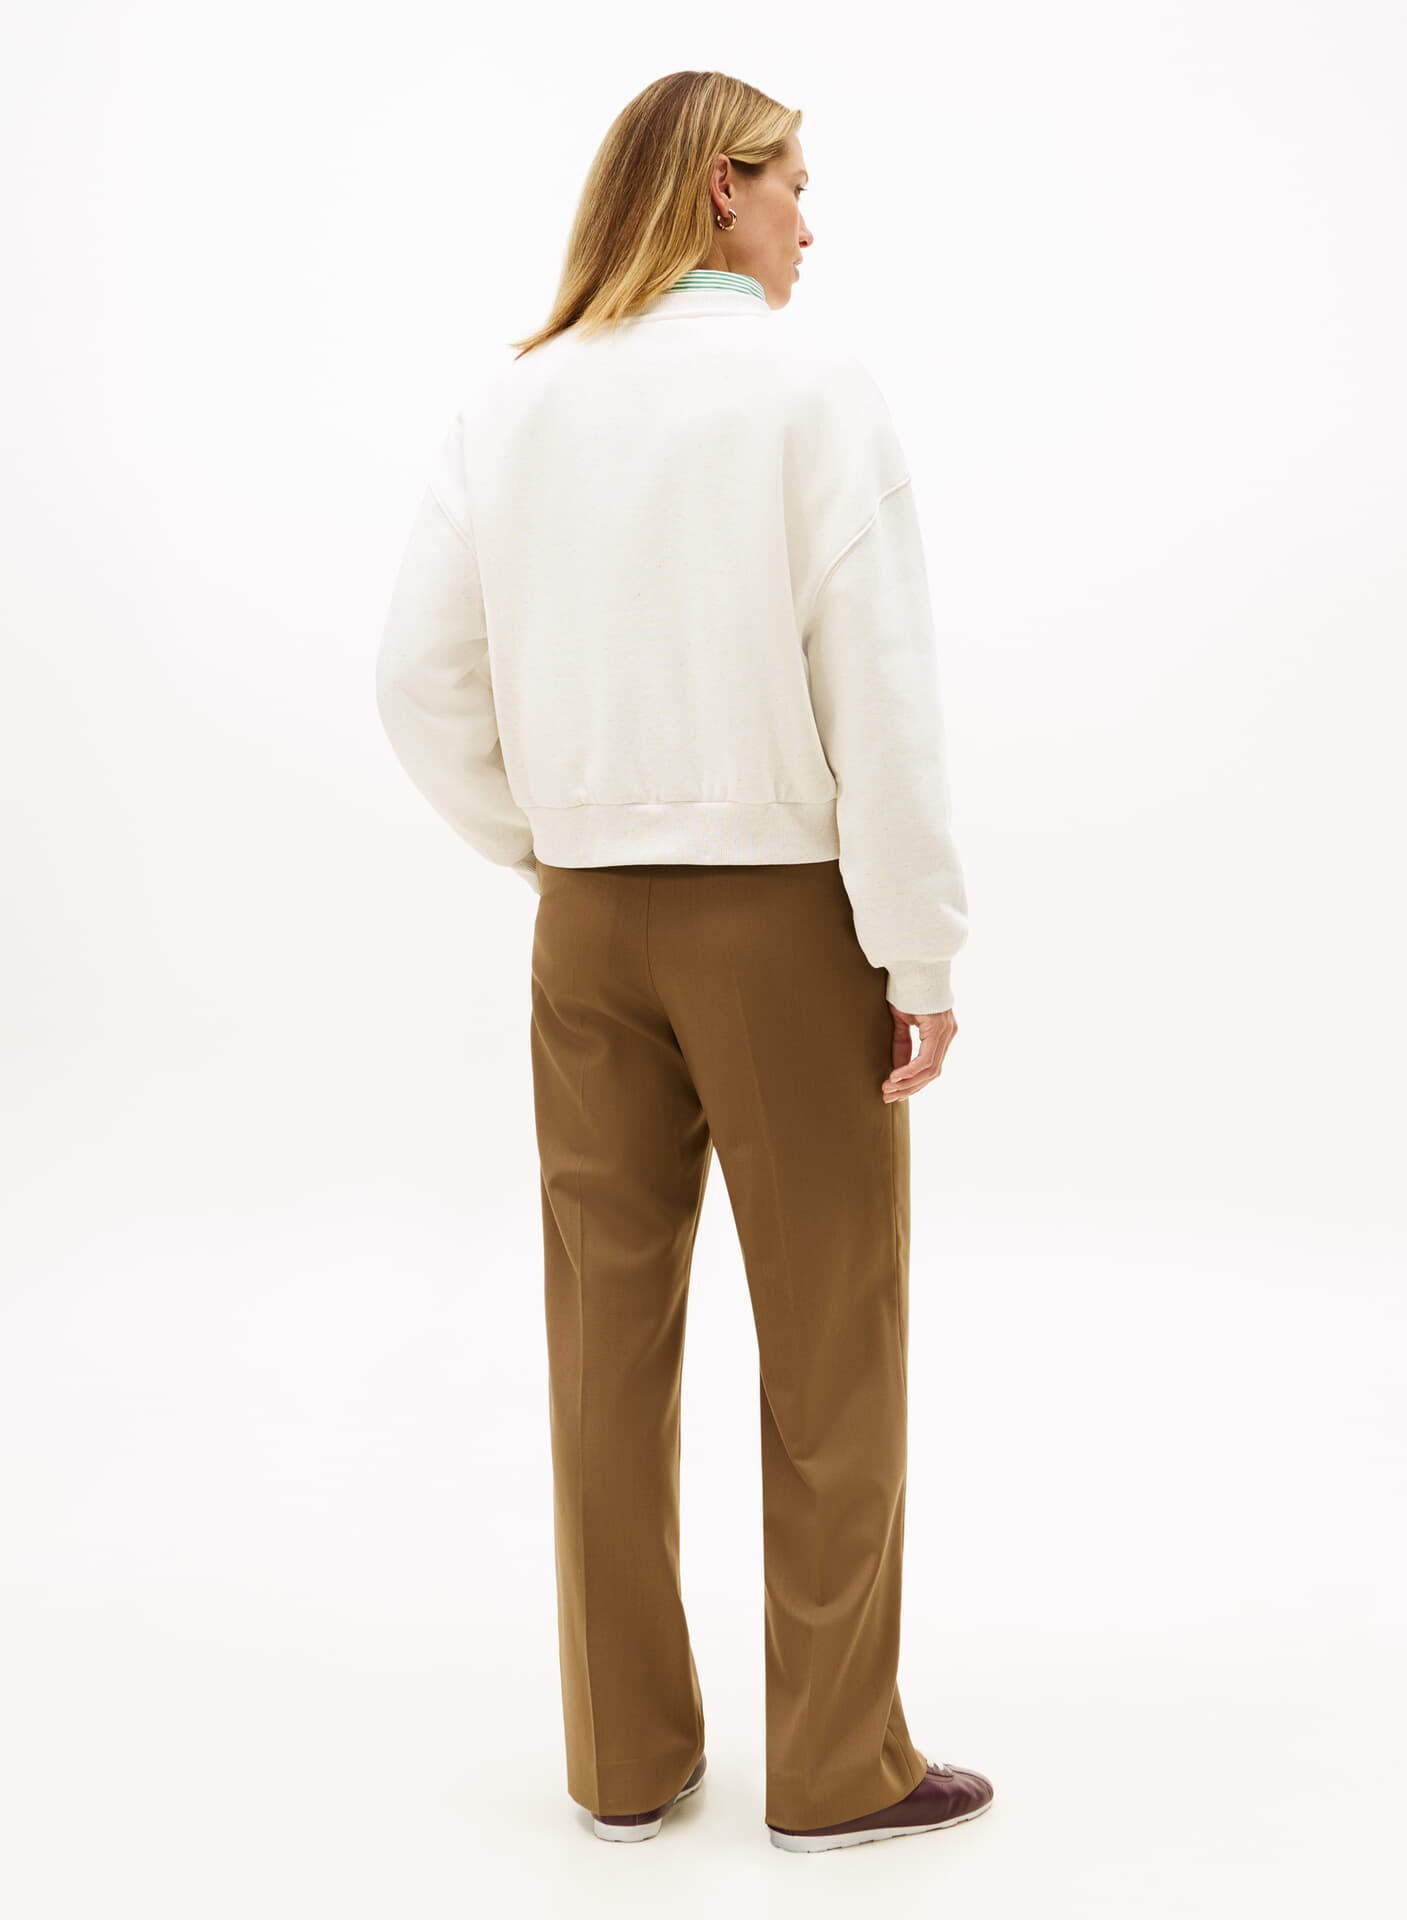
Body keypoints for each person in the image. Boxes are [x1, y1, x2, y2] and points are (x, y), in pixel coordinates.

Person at [374, 68, 993, 1854]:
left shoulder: (513, 403)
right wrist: (919, 949)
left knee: (604, 1345)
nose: (812, 221)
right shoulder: (811, 392)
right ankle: (837, 1768)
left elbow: (414, 680)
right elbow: (882, 702)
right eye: (796, 182)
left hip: (588, 925)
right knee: (834, 1344)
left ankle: (625, 1763)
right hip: (782, 922)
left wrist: (550, 838)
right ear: (724, 185)